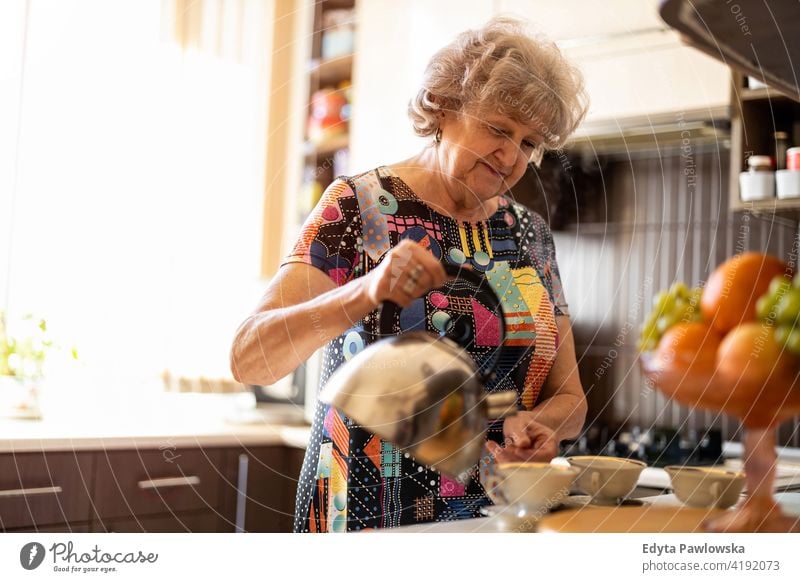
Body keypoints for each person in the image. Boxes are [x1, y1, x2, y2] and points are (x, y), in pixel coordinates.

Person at [230, 16, 589, 532]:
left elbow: (571, 397)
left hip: (491, 524)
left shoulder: (529, 234)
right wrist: (364, 292)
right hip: (362, 523)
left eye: (529, 143)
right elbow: (249, 358)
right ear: (444, 108)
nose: (511, 156)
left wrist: (541, 425)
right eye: (497, 129)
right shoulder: (359, 206)